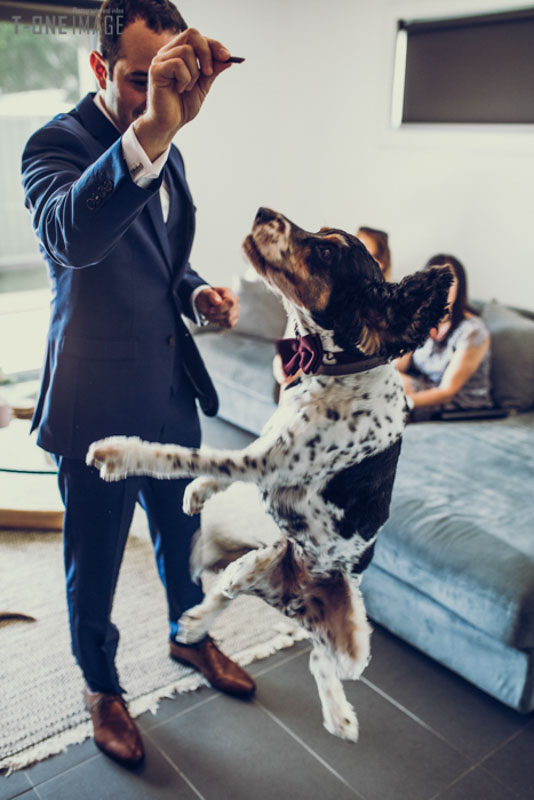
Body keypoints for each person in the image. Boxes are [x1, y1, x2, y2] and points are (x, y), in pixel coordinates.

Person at [21, 0, 255, 768]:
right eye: (138, 82)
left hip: (169, 392)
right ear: (99, 68)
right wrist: (155, 123)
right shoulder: (52, 144)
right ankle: (101, 685)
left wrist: (196, 296)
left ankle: (190, 638)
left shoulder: (173, 148)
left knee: (181, 535)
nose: (157, 100)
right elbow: (74, 237)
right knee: (93, 558)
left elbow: (161, 258)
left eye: (172, 83)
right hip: (96, 404)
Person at [396, 254, 491, 419]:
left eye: (449, 281)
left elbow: (447, 392)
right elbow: (398, 368)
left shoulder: (473, 331)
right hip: (424, 388)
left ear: (459, 286)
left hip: (459, 403)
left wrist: (400, 403)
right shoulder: (425, 319)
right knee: (385, 381)